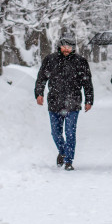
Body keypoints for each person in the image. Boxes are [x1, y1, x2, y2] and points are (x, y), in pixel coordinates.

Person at [34, 33, 93, 171]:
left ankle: (68, 161)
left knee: (70, 132)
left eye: (70, 47)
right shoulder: (50, 60)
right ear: (60, 46)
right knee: (56, 133)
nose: (67, 49)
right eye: (64, 46)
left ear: (73, 48)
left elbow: (87, 82)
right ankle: (63, 151)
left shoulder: (80, 61)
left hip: (73, 102)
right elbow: (41, 78)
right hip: (55, 102)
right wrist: (39, 93)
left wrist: (89, 99)